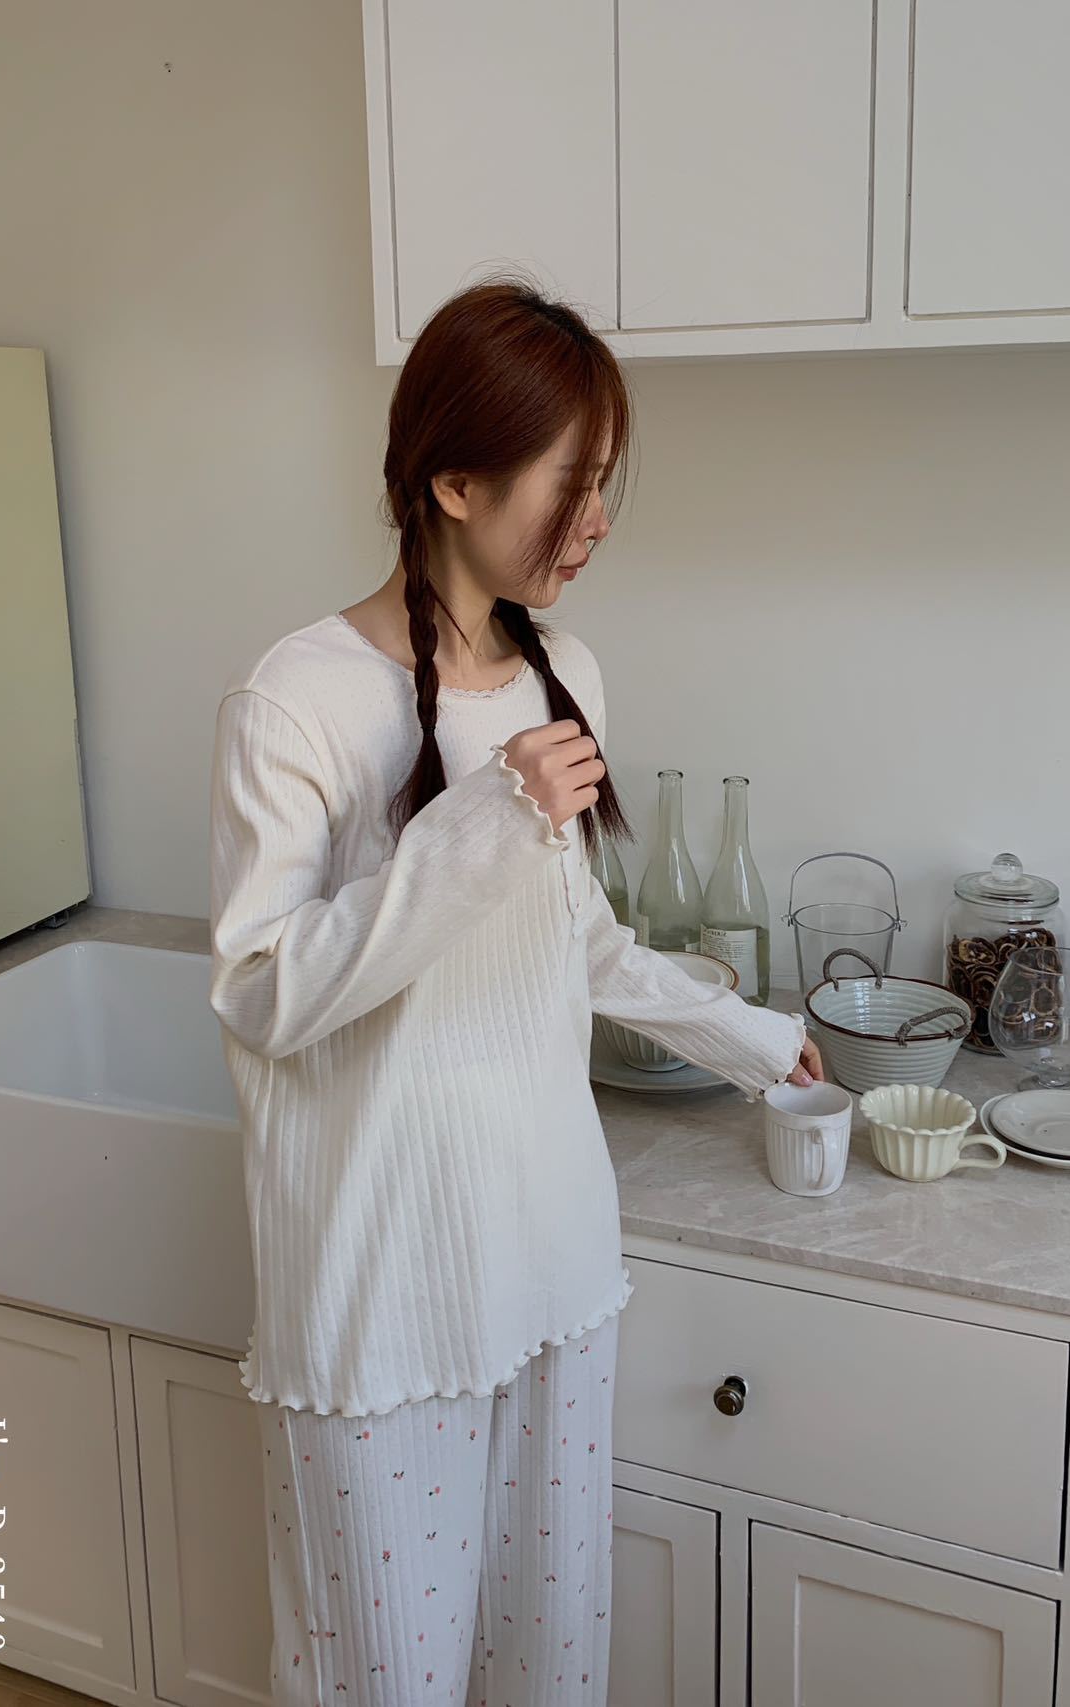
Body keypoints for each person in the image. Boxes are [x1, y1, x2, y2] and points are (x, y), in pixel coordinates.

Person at [207, 275, 823, 1707]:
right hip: (381, 1290)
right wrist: (481, 821)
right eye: (571, 483)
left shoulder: (567, 671)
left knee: (548, 1667)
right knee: (384, 1679)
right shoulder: (294, 699)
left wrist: (750, 1036)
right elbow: (263, 993)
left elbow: (575, 941)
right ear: (455, 481)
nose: (596, 520)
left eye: (609, 484)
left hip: (548, 1256)